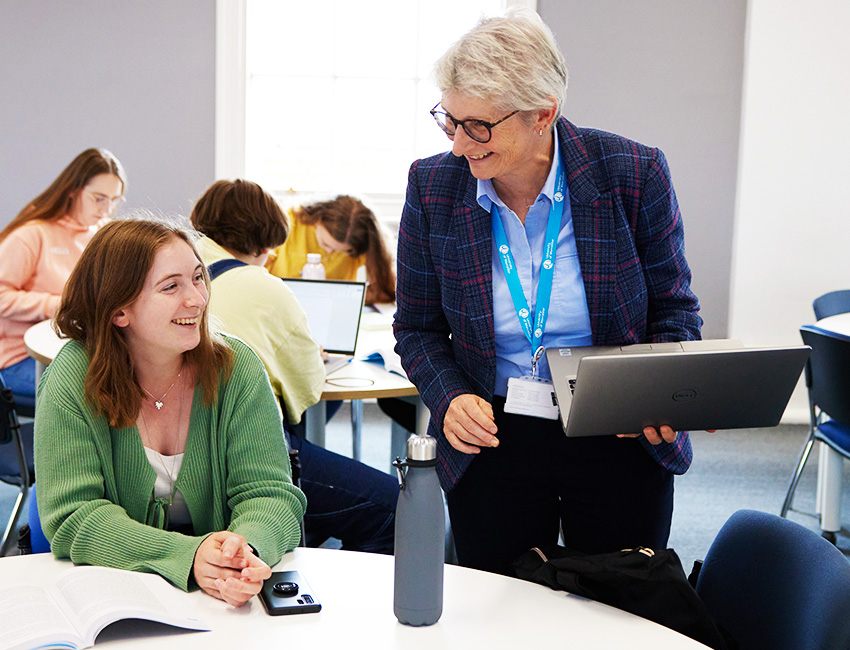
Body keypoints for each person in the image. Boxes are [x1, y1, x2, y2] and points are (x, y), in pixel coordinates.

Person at [393, 8, 702, 575]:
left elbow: (674, 309)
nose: (460, 145)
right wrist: (449, 395)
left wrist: (659, 392)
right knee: (497, 600)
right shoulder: (433, 186)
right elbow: (417, 328)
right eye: (451, 121)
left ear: (544, 114)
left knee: (619, 600)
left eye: (479, 126)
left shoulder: (632, 172)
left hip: (615, 426)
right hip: (492, 428)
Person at [34, 219, 306, 606]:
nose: (197, 298)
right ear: (119, 312)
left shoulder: (237, 367)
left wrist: (243, 552)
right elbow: (74, 516)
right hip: (114, 596)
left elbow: (271, 495)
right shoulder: (73, 377)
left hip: (220, 600)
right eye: (171, 286)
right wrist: (188, 556)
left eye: (198, 278)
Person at [190, 179, 397, 554]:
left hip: (173, 450)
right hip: (241, 453)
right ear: (267, 245)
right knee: (394, 508)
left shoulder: (172, 268)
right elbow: (307, 389)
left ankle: (307, 531)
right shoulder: (264, 287)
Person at [0, 148, 125, 407]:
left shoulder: (100, 235)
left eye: (114, 200)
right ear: (73, 191)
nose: (107, 209)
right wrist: (59, 305)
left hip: (75, 348)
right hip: (20, 356)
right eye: (99, 198)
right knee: (97, 394)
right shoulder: (32, 235)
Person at [265, 195, 396, 305]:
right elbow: (256, 273)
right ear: (318, 219)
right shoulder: (289, 222)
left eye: (343, 251)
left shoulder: (361, 241)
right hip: (281, 305)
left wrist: (347, 297)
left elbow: (384, 290)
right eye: (326, 244)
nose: (330, 252)